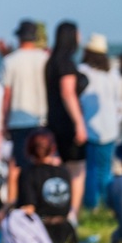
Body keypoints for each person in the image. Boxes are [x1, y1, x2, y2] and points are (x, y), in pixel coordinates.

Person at [0, 19, 49, 204]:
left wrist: (4, 121)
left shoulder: (10, 61)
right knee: (42, 161)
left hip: (18, 120)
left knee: (20, 164)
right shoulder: (44, 58)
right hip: (41, 117)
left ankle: (20, 200)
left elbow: (7, 95)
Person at [44, 21, 88, 223]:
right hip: (67, 123)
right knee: (77, 170)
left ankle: (55, 213)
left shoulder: (51, 61)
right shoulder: (66, 62)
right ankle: (72, 215)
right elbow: (68, 92)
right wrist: (79, 123)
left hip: (52, 121)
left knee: (56, 169)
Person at [78, 34, 121, 209]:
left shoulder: (81, 71)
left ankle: (91, 205)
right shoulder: (112, 73)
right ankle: (109, 204)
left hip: (87, 127)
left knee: (90, 170)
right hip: (110, 127)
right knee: (105, 170)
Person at [17, 129, 77, 243]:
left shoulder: (28, 174)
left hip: (42, 234)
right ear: (53, 149)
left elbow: (29, 207)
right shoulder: (63, 172)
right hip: (67, 233)